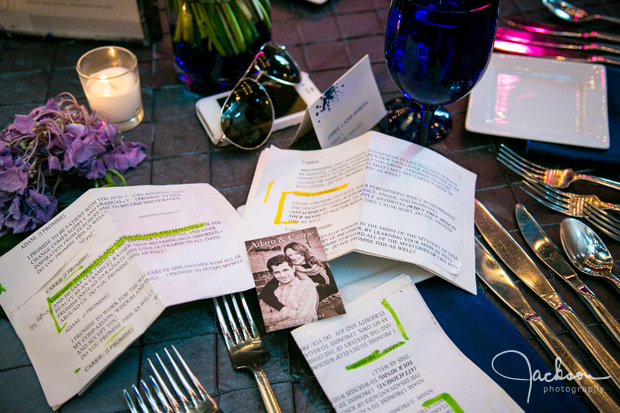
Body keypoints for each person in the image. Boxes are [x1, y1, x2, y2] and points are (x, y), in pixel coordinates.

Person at [260, 242, 345, 320]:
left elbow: (335, 287)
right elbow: (265, 293)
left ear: (303, 252)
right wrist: (283, 309)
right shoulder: (289, 272)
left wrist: (316, 285)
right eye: (290, 255)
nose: (294, 257)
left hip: (336, 298)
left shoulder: (321, 265)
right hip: (319, 307)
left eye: (297, 253)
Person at [259, 254, 318, 332]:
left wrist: (272, 328)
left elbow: (304, 319)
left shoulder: (307, 287)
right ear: (272, 274)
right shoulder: (269, 293)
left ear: (293, 268)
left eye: (285, 270)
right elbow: (263, 319)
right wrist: (288, 314)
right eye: (277, 272)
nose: (282, 275)